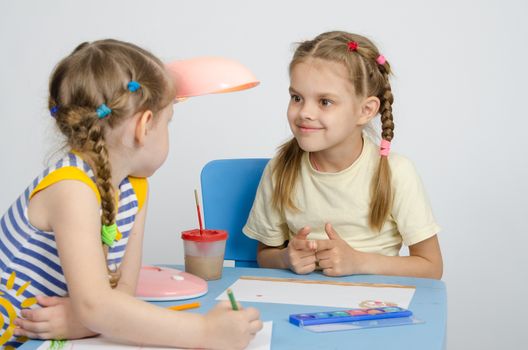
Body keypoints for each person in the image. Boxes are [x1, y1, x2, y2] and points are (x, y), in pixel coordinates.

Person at [0, 39, 262, 349]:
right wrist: (204, 332)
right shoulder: (72, 189)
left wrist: (83, 322)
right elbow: (97, 306)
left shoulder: (134, 188)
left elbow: (121, 290)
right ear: (144, 126)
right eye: (169, 123)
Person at [243, 31, 443, 279]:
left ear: (365, 110)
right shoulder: (281, 169)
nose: (304, 112)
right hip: (302, 305)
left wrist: (359, 262)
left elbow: (431, 267)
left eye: (325, 101)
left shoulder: (395, 172)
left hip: (375, 308)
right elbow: (265, 255)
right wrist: (286, 257)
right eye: (297, 98)